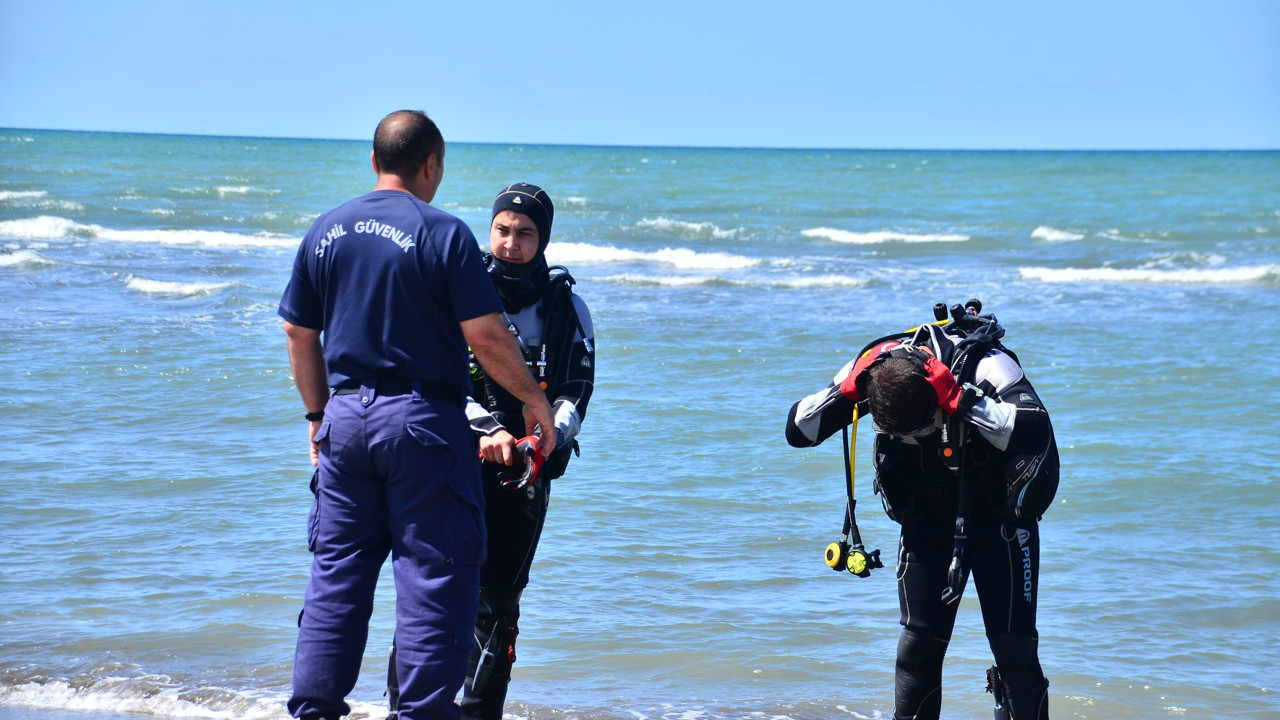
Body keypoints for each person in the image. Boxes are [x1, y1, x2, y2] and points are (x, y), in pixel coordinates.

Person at [278, 110, 555, 720]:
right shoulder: (443, 233)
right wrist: (535, 401)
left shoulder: (325, 229)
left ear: (374, 160)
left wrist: (316, 416)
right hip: (423, 422)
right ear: (431, 164)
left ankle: (315, 711)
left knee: (336, 579)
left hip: (345, 419)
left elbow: (299, 332)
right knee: (435, 578)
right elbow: (485, 337)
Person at [784, 307, 1058, 720]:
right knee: (916, 652)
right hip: (927, 524)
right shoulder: (876, 372)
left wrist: (960, 399)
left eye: (922, 428)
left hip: (1000, 523)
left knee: (1015, 652)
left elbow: (1036, 430)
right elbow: (796, 431)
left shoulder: (984, 364)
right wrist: (845, 392)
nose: (915, 438)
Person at [387, 183, 595, 720]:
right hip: (452, 462)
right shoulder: (458, 292)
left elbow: (577, 388)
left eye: (525, 233)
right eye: (502, 230)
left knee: (499, 606)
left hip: (526, 474)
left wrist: (550, 435)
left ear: (543, 239)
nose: (510, 243)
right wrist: (486, 431)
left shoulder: (566, 306)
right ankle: (406, 711)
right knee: (431, 592)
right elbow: (435, 378)